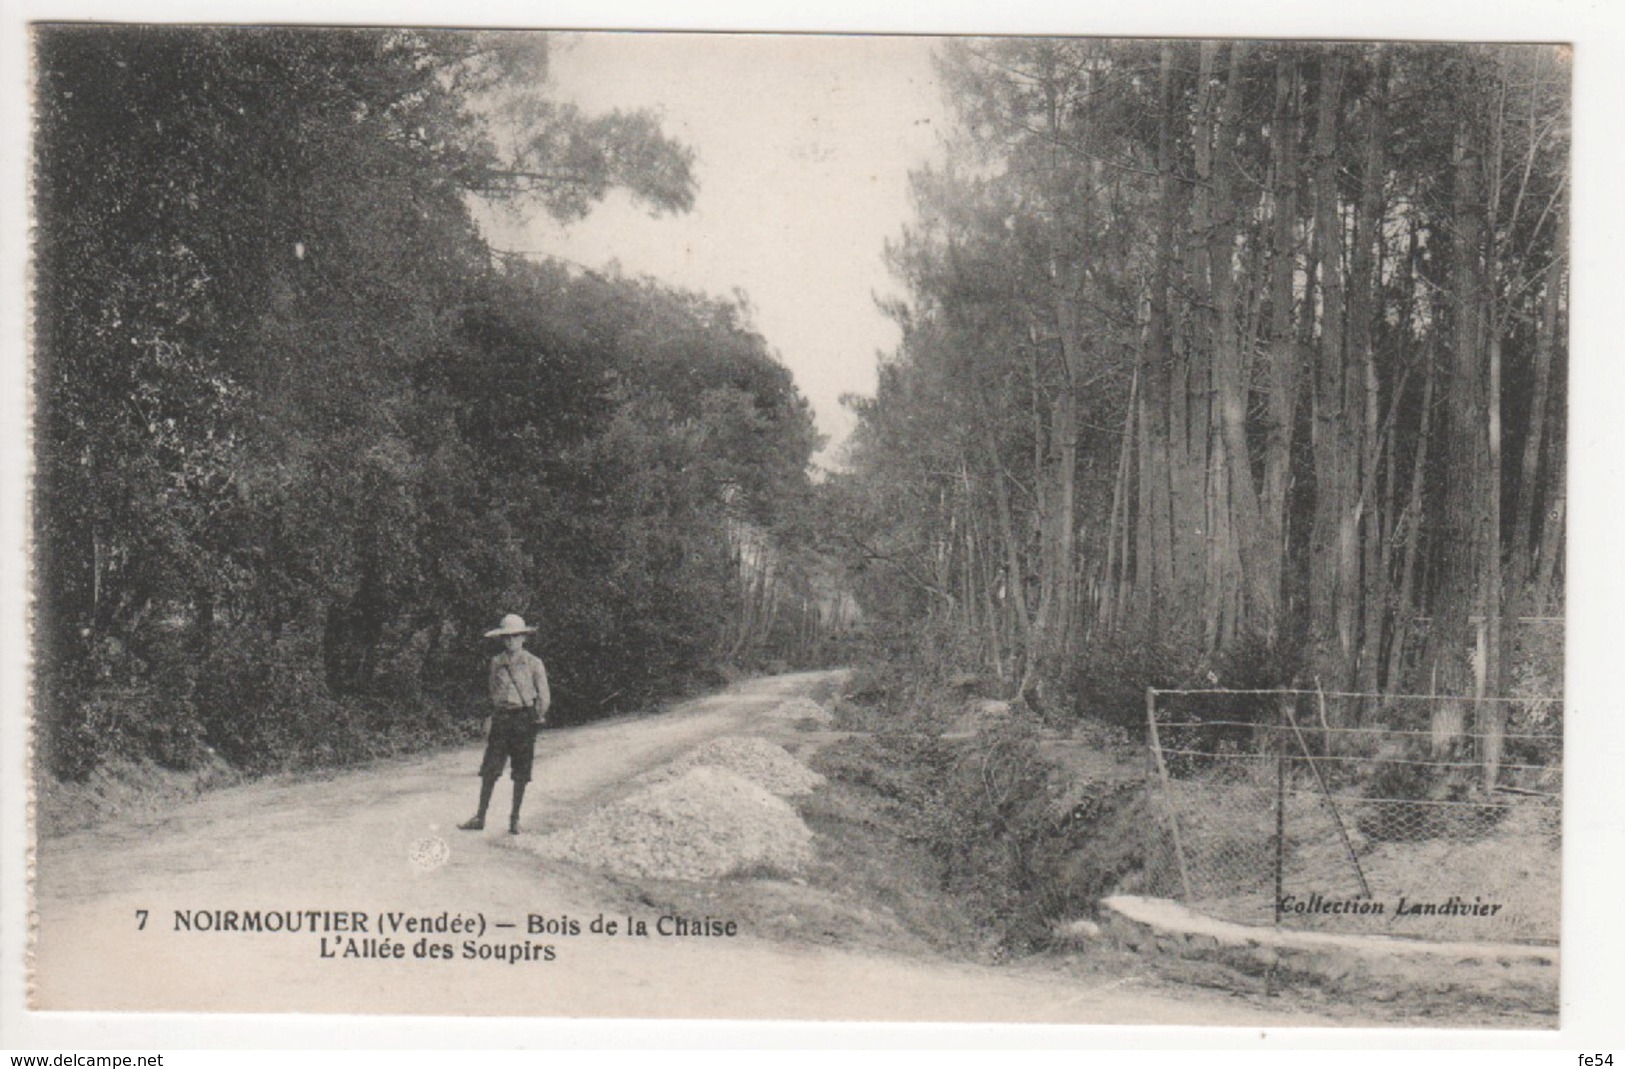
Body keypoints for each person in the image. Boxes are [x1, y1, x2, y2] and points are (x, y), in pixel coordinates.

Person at [459, 613, 550, 835]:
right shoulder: (496, 662)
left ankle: (514, 820)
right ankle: (480, 817)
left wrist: (537, 715)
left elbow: (544, 695)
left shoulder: (533, 663)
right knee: (490, 769)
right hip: (502, 718)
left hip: (523, 718)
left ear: (523, 638)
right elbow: (493, 690)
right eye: (507, 637)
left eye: (515, 637)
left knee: (521, 771)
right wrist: (496, 712)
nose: (511, 641)